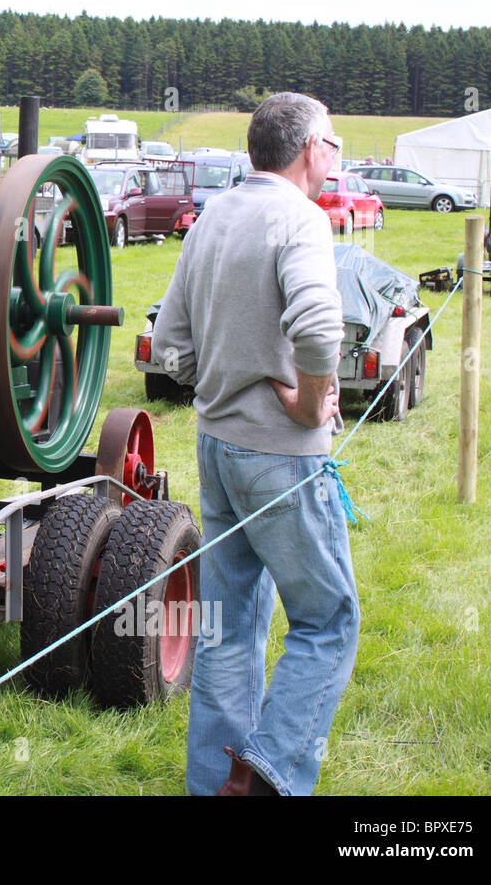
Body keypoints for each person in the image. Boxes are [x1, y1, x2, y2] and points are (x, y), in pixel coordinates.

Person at [151, 92, 360, 796]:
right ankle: (266, 774)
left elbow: (170, 348)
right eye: (333, 141)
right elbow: (320, 327)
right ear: (309, 150)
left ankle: (216, 786)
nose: (335, 155)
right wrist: (304, 404)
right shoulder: (300, 218)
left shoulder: (213, 216)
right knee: (328, 621)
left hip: (216, 450)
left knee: (227, 631)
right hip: (281, 457)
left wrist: (224, 380)